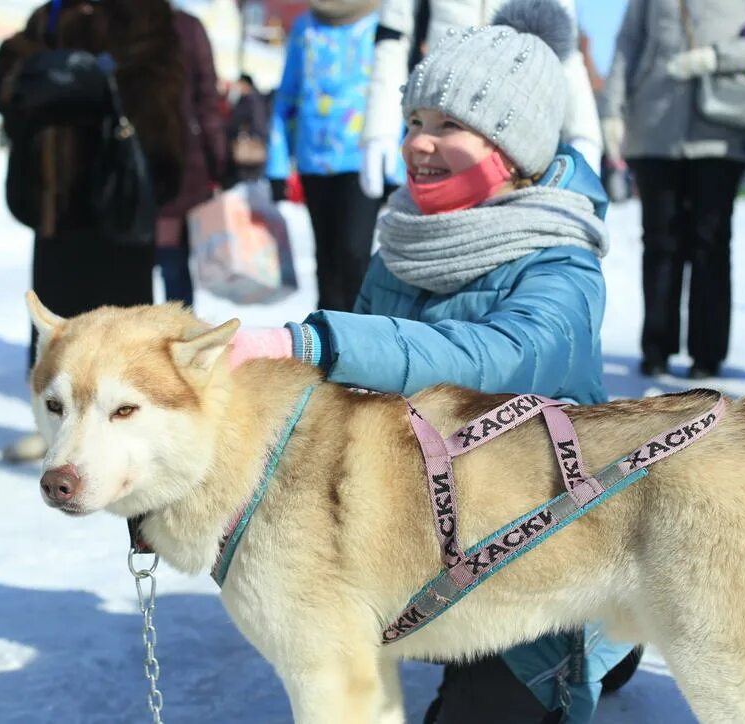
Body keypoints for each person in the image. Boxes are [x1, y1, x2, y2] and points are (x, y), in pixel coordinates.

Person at [228, 1, 638, 720]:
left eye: (449, 124)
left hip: (536, 533)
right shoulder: (406, 243)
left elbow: (500, 357)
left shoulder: (563, 263)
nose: (419, 142)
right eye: (414, 121)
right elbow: (355, 387)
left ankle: (605, 637)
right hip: (429, 514)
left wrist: (318, 340)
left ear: (514, 149)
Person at [0, 0, 186, 462]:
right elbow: (12, 87)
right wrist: (46, 71)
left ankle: (130, 426)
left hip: (118, 192)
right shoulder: (48, 16)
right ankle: (51, 426)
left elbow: (161, 87)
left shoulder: (145, 13)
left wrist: (100, 77)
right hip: (57, 199)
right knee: (53, 323)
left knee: (126, 321)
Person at [599, 0, 745, 379]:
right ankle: (656, 347)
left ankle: (708, 353)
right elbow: (628, 42)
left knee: (710, 242)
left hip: (720, 131)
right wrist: (611, 109)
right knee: (660, 241)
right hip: (654, 127)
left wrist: (716, 57)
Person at [359, 0, 605, 205]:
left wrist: (583, 132)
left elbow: (565, 45)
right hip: (439, 110)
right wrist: (380, 129)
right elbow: (393, 35)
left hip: (516, 124)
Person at [266, 0, 402, 313]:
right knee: (325, 260)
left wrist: (395, 166)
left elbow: (394, 95)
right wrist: (277, 166)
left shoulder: (380, 22)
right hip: (314, 161)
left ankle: (361, 333)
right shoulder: (306, 25)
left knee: (354, 253)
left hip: (363, 158)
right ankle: (327, 340)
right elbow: (287, 94)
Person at [156, 9, 227, 308]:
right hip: (185, 166)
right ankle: (179, 335)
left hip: (150, 169)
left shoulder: (113, 20)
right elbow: (208, 103)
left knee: (166, 260)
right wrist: (220, 165)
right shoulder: (188, 26)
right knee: (175, 267)